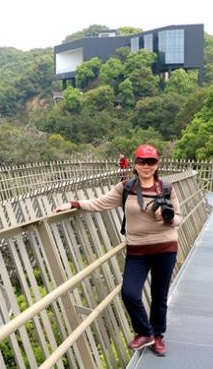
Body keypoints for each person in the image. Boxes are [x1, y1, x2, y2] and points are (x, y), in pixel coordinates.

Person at [55, 144, 181, 356]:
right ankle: (145, 332)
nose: (146, 166)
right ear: (135, 164)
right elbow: (100, 203)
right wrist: (73, 203)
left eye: (151, 161)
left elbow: (178, 218)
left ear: (158, 164)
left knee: (159, 296)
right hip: (137, 250)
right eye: (142, 161)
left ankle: (158, 336)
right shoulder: (126, 188)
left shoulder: (167, 188)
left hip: (165, 247)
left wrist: (166, 217)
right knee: (129, 293)